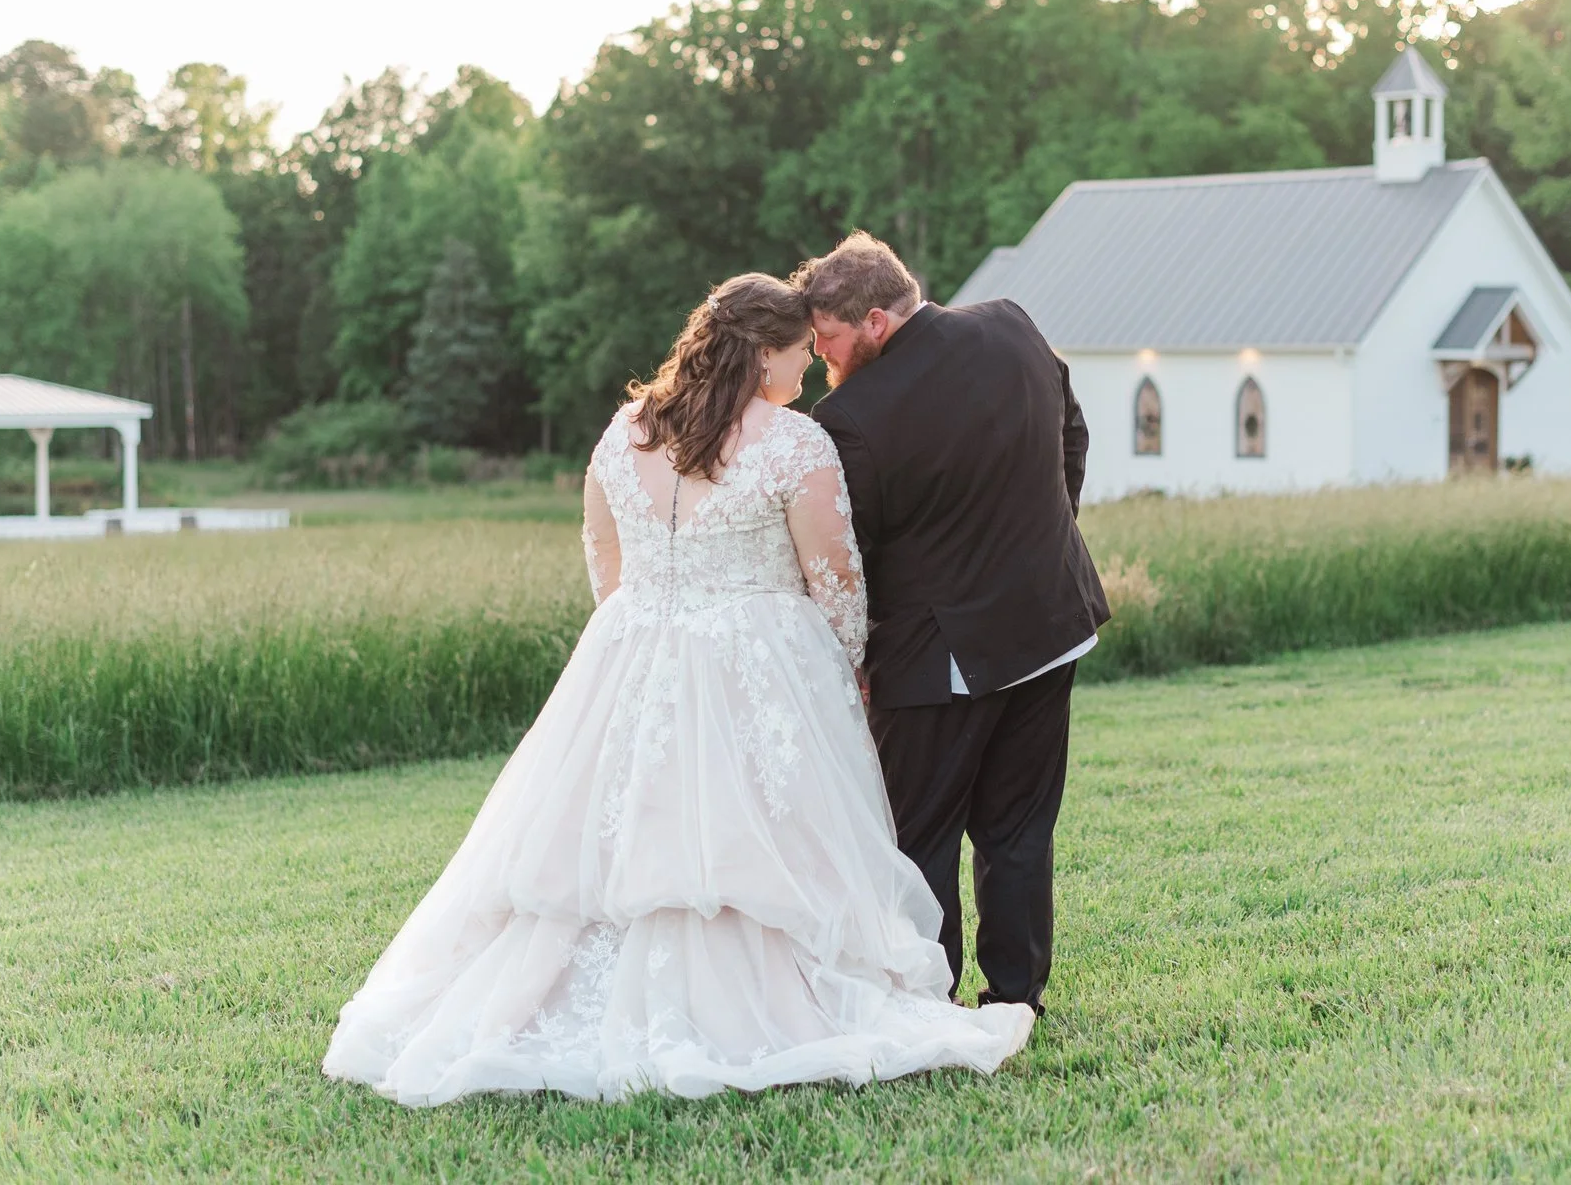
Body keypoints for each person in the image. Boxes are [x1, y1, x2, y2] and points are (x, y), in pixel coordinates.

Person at [323, 273, 1033, 1105]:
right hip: (760, 658)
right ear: (766, 349)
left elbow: (603, 555)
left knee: (621, 835)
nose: (806, 369)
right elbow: (835, 579)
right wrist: (842, 676)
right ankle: (764, 1004)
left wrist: (648, 637)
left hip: (633, 653)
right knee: (754, 832)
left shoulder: (625, 431)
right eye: (801, 351)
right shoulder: (795, 442)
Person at [799, 233, 1109, 1017]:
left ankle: (926, 1003)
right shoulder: (1012, 323)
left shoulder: (850, 416)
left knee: (922, 836)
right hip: (1051, 622)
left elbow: (851, 556)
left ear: (873, 322)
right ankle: (1016, 997)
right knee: (1018, 829)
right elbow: (1072, 437)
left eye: (827, 341)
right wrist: (1036, 544)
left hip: (939, 659)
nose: (819, 361)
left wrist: (860, 653)